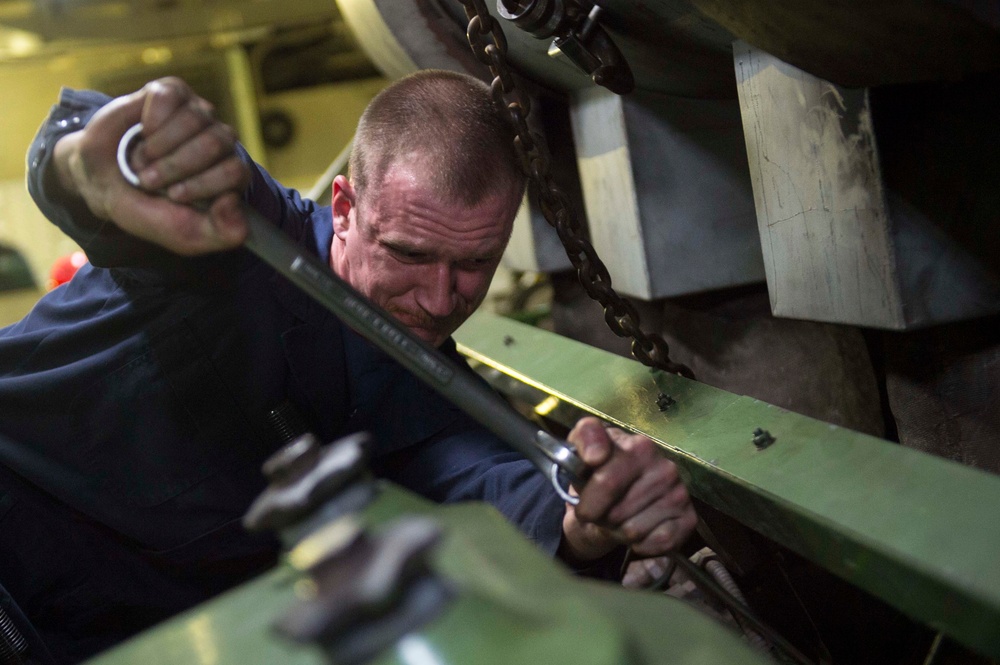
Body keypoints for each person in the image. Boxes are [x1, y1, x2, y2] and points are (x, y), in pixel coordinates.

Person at [0, 71, 695, 662]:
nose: (441, 298)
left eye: (475, 264)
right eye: (410, 253)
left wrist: (592, 519)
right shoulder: (227, 234)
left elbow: (506, 488)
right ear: (345, 207)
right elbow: (103, 167)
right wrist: (100, 159)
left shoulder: (431, 401)